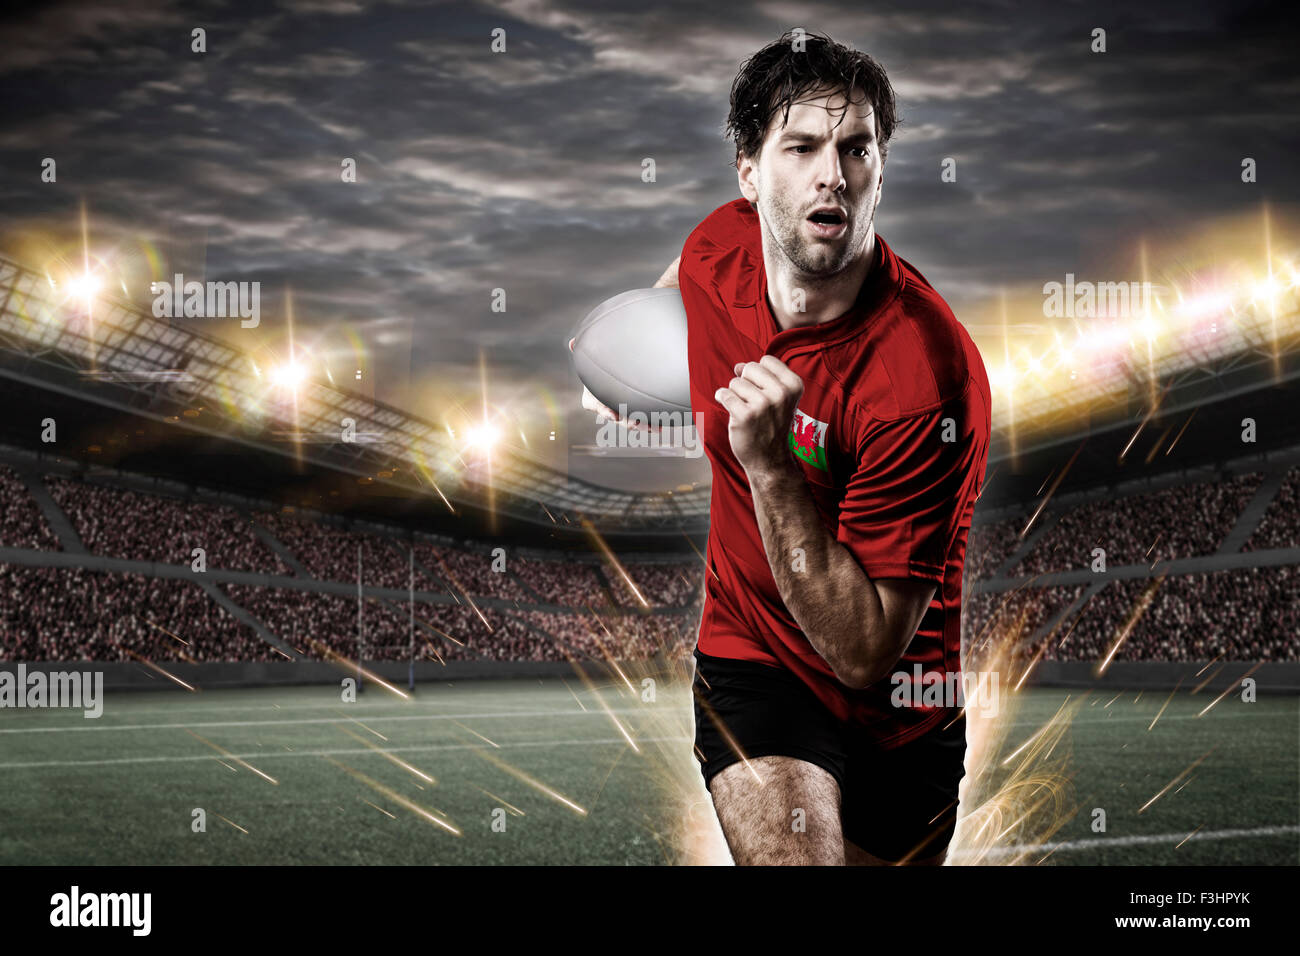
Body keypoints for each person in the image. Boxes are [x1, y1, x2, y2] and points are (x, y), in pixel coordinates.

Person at [609, 31, 992, 865]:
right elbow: (671, 301)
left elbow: (863, 650)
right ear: (749, 172)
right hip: (755, 661)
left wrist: (771, 465)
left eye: (857, 148)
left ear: (880, 170)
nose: (833, 174)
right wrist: (626, 375)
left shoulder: (927, 376)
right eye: (802, 146)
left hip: (898, 708)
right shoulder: (715, 247)